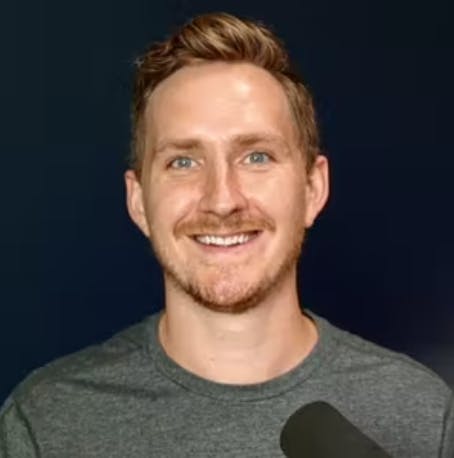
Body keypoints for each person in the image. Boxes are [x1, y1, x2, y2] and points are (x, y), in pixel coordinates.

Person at [0, 12, 452, 458]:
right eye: (183, 161)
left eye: (256, 156)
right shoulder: (46, 423)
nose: (222, 200)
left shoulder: (424, 414)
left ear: (313, 189)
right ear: (139, 201)